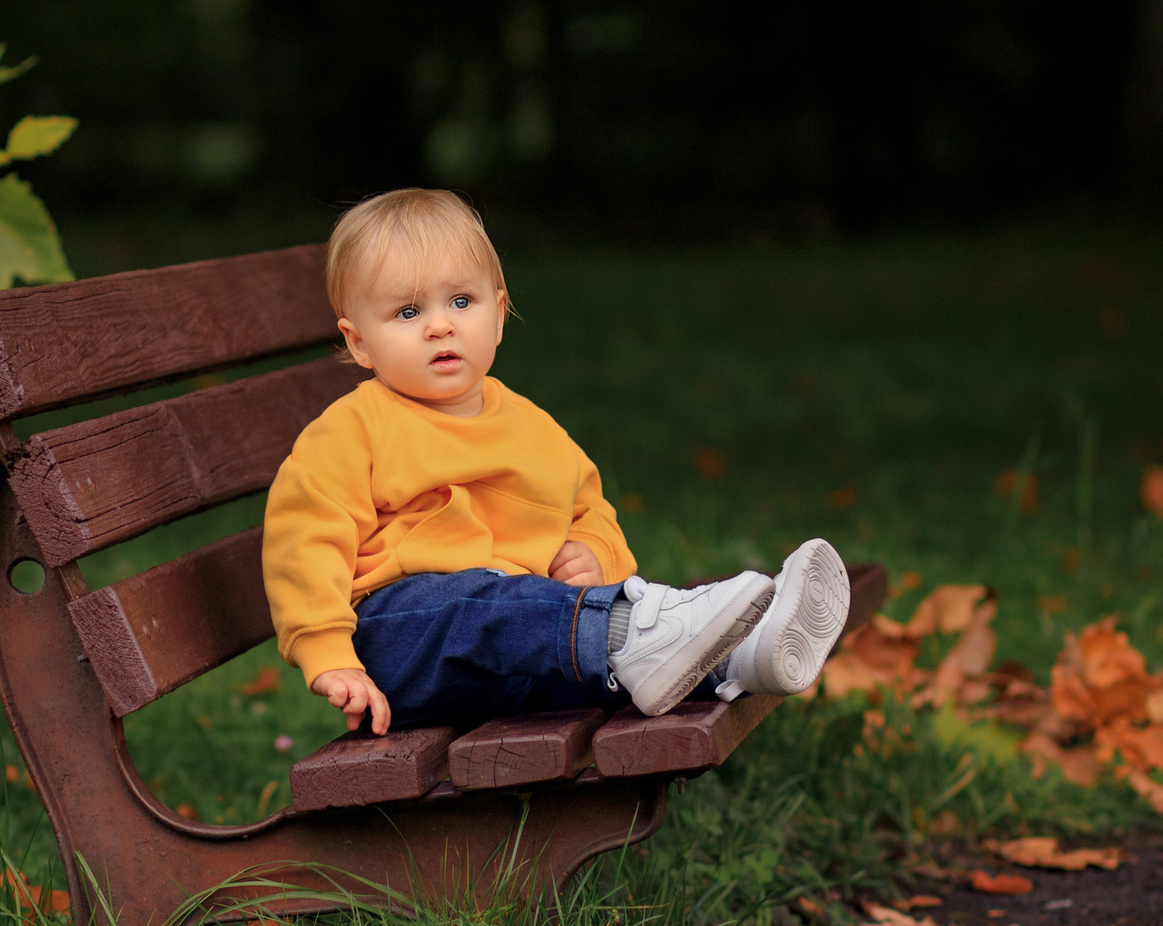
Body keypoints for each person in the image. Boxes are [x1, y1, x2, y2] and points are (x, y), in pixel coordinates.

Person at [263, 188, 850, 738]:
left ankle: (732, 659)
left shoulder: (531, 427)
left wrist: (596, 555)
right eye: (407, 313)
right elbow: (305, 540)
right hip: (404, 642)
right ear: (359, 342)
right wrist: (326, 651)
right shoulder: (353, 430)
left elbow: (589, 508)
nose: (440, 324)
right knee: (485, 604)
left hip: (516, 647)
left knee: (576, 666)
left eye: (460, 302)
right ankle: (637, 628)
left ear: (497, 314)